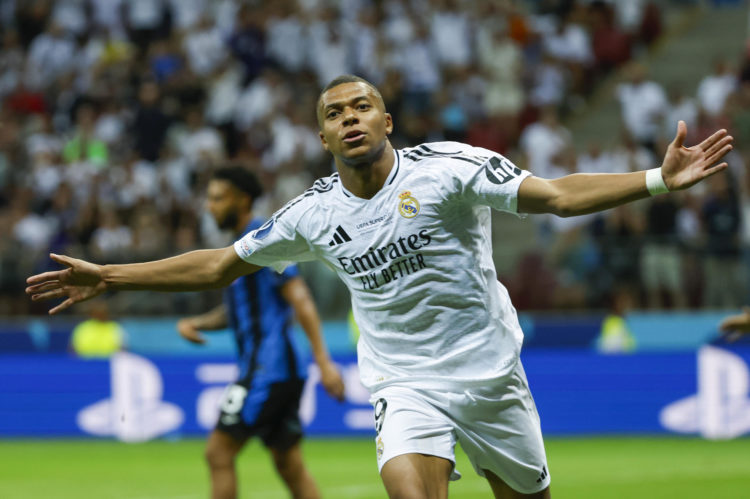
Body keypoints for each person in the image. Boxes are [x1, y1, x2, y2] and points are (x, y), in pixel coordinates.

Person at [27, 75, 733, 499]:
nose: (350, 118)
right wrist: (110, 274)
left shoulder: (450, 169)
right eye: (334, 114)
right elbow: (219, 264)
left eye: (361, 107)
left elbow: (555, 196)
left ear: (386, 120)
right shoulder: (311, 214)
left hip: (492, 375)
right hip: (405, 383)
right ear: (323, 137)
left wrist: (652, 180)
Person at [177, 166, 345, 499]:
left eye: (218, 199)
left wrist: (324, 362)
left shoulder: (264, 238)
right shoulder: (241, 245)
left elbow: (299, 297)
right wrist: (199, 323)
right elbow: (238, 309)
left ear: (242, 200)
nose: (210, 207)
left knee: (218, 453)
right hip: (282, 370)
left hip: (268, 369)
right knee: (288, 463)